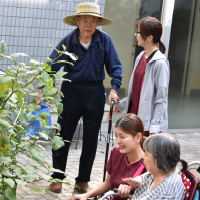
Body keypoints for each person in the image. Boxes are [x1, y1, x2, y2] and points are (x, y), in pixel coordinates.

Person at [37, 2, 123, 193]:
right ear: (77, 21)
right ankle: (57, 177)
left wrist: (114, 88)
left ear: (98, 23)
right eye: (85, 20)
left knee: (91, 139)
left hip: (95, 93)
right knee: (62, 136)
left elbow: (115, 67)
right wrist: (41, 88)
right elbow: (51, 66)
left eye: (93, 21)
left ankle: (82, 180)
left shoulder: (104, 40)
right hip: (71, 92)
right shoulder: (68, 41)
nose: (89, 25)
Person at [114, 17, 170, 137]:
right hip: (132, 119)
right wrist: (122, 104)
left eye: (138, 32)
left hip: (146, 126)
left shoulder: (160, 62)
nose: (136, 34)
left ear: (150, 37)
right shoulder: (141, 56)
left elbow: (161, 99)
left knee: (143, 156)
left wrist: (154, 128)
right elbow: (138, 89)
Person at [69, 114, 146, 200]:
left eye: (122, 136)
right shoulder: (116, 152)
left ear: (138, 137)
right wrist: (86, 195)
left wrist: (132, 191)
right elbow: (108, 183)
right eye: (116, 135)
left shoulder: (149, 163)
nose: (118, 140)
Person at [118, 133, 187, 200]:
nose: (143, 157)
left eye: (146, 154)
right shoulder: (161, 172)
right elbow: (145, 176)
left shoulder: (168, 194)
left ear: (158, 159)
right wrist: (137, 181)